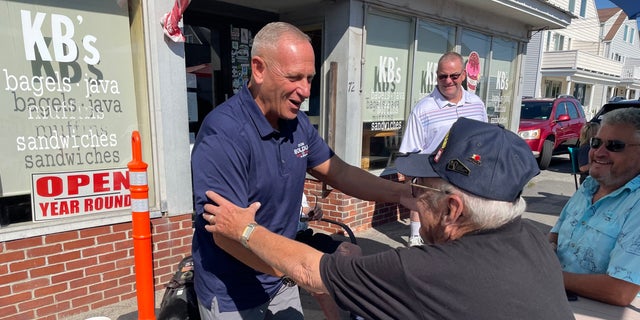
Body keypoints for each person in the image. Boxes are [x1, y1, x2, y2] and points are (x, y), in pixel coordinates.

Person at [202, 117, 575, 320]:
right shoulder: (532, 242)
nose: (413, 200)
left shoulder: (425, 270)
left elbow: (310, 272)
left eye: (420, 191)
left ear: (452, 210)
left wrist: (244, 228)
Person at [190, 21, 415, 319]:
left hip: (282, 281)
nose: (306, 90)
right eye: (294, 77)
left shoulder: (296, 123)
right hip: (235, 294)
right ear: (258, 69)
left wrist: (402, 193)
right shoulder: (224, 134)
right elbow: (224, 235)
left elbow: (339, 172)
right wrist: (305, 269)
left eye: (309, 78)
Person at [549, 107, 640, 306]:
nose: (599, 152)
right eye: (595, 142)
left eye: (615, 146)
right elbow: (555, 237)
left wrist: (549, 276)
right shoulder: (589, 186)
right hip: (558, 299)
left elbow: (620, 291)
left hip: (604, 312)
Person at [399, 52, 487, 246]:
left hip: (467, 181)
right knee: (434, 240)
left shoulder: (477, 105)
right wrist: (410, 182)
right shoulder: (423, 108)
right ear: (436, 76)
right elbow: (411, 150)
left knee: (460, 236)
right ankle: (416, 237)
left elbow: (484, 141)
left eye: (454, 76)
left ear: (463, 75)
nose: (448, 81)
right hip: (433, 179)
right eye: (442, 76)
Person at [295, 193, 361, 320]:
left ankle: (357, 310)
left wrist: (313, 212)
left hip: (305, 235)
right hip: (287, 238)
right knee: (319, 275)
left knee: (353, 251)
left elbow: (304, 208)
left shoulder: (295, 182)